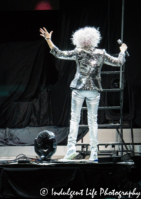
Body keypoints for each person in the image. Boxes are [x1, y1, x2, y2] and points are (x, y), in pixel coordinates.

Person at [40, 27, 127, 160]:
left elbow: (58, 53)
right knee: (93, 121)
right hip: (93, 90)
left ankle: (71, 149)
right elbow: (119, 62)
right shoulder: (101, 53)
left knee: (74, 119)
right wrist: (122, 51)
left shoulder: (78, 52)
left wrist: (48, 40)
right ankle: (94, 153)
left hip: (79, 89)